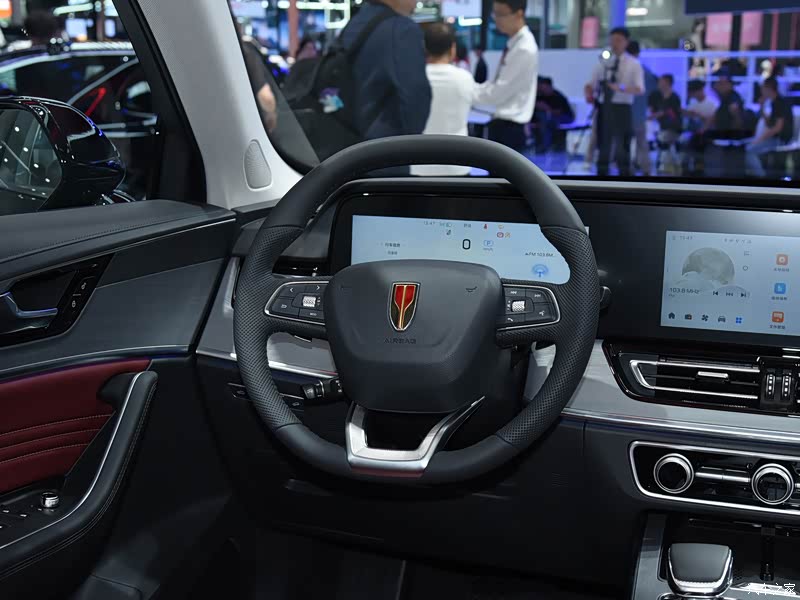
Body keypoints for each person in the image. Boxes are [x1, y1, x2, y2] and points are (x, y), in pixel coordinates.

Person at [339, 0, 431, 152]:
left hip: (346, 144)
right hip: (384, 148)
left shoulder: (354, 24)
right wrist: (411, 143)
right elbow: (416, 93)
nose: (415, 3)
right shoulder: (401, 29)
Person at [473, 0, 539, 153]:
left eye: (501, 14)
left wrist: (467, 91)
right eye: (494, 14)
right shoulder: (514, 43)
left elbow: (499, 91)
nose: (496, 19)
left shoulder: (524, 48)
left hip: (509, 129)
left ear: (519, 14)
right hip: (504, 126)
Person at [411, 23, 475, 176]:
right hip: (457, 163)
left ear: (424, 48)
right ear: (453, 48)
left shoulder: (413, 78)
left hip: (419, 164)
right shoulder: (464, 78)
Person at [585, 27, 644, 177]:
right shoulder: (603, 62)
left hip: (623, 107)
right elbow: (591, 84)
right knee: (603, 143)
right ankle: (601, 173)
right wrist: (589, 93)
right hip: (604, 107)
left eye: (618, 40)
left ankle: (624, 174)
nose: (615, 44)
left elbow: (640, 89)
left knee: (623, 144)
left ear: (626, 42)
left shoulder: (634, 64)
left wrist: (620, 88)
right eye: (612, 40)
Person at [745, 76, 795, 177]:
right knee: (750, 146)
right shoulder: (774, 102)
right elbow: (769, 124)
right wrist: (762, 107)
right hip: (775, 138)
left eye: (763, 88)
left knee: (749, 150)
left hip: (781, 139)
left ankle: (761, 176)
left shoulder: (780, 103)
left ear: (769, 88)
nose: (761, 91)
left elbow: (777, 128)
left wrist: (759, 140)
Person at [628, 40, 656, 175]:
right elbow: (652, 91)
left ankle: (628, 169)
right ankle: (646, 169)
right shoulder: (646, 72)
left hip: (626, 113)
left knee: (624, 143)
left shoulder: (625, 70)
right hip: (639, 113)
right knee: (642, 143)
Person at [648, 74, 682, 174]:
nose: (659, 83)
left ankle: (670, 165)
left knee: (664, 140)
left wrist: (656, 115)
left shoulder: (674, 98)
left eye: (661, 81)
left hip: (672, 128)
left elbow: (670, 113)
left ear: (667, 83)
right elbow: (652, 110)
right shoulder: (656, 96)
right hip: (659, 127)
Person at [531, 76, 574, 152]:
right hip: (549, 118)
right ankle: (539, 146)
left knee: (548, 123)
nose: (541, 88)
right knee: (541, 120)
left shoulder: (557, 96)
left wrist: (547, 108)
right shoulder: (541, 96)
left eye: (543, 86)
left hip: (565, 117)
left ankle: (547, 146)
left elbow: (560, 112)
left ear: (548, 86)